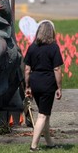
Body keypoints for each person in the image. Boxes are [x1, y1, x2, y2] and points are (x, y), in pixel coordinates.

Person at [24, 20, 63, 152]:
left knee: (45, 114)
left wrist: (27, 86)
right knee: (42, 115)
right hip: (47, 83)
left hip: (35, 83)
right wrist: (59, 87)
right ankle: (33, 146)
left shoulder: (32, 47)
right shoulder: (54, 47)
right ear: (51, 32)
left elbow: (27, 69)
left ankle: (50, 143)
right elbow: (57, 69)